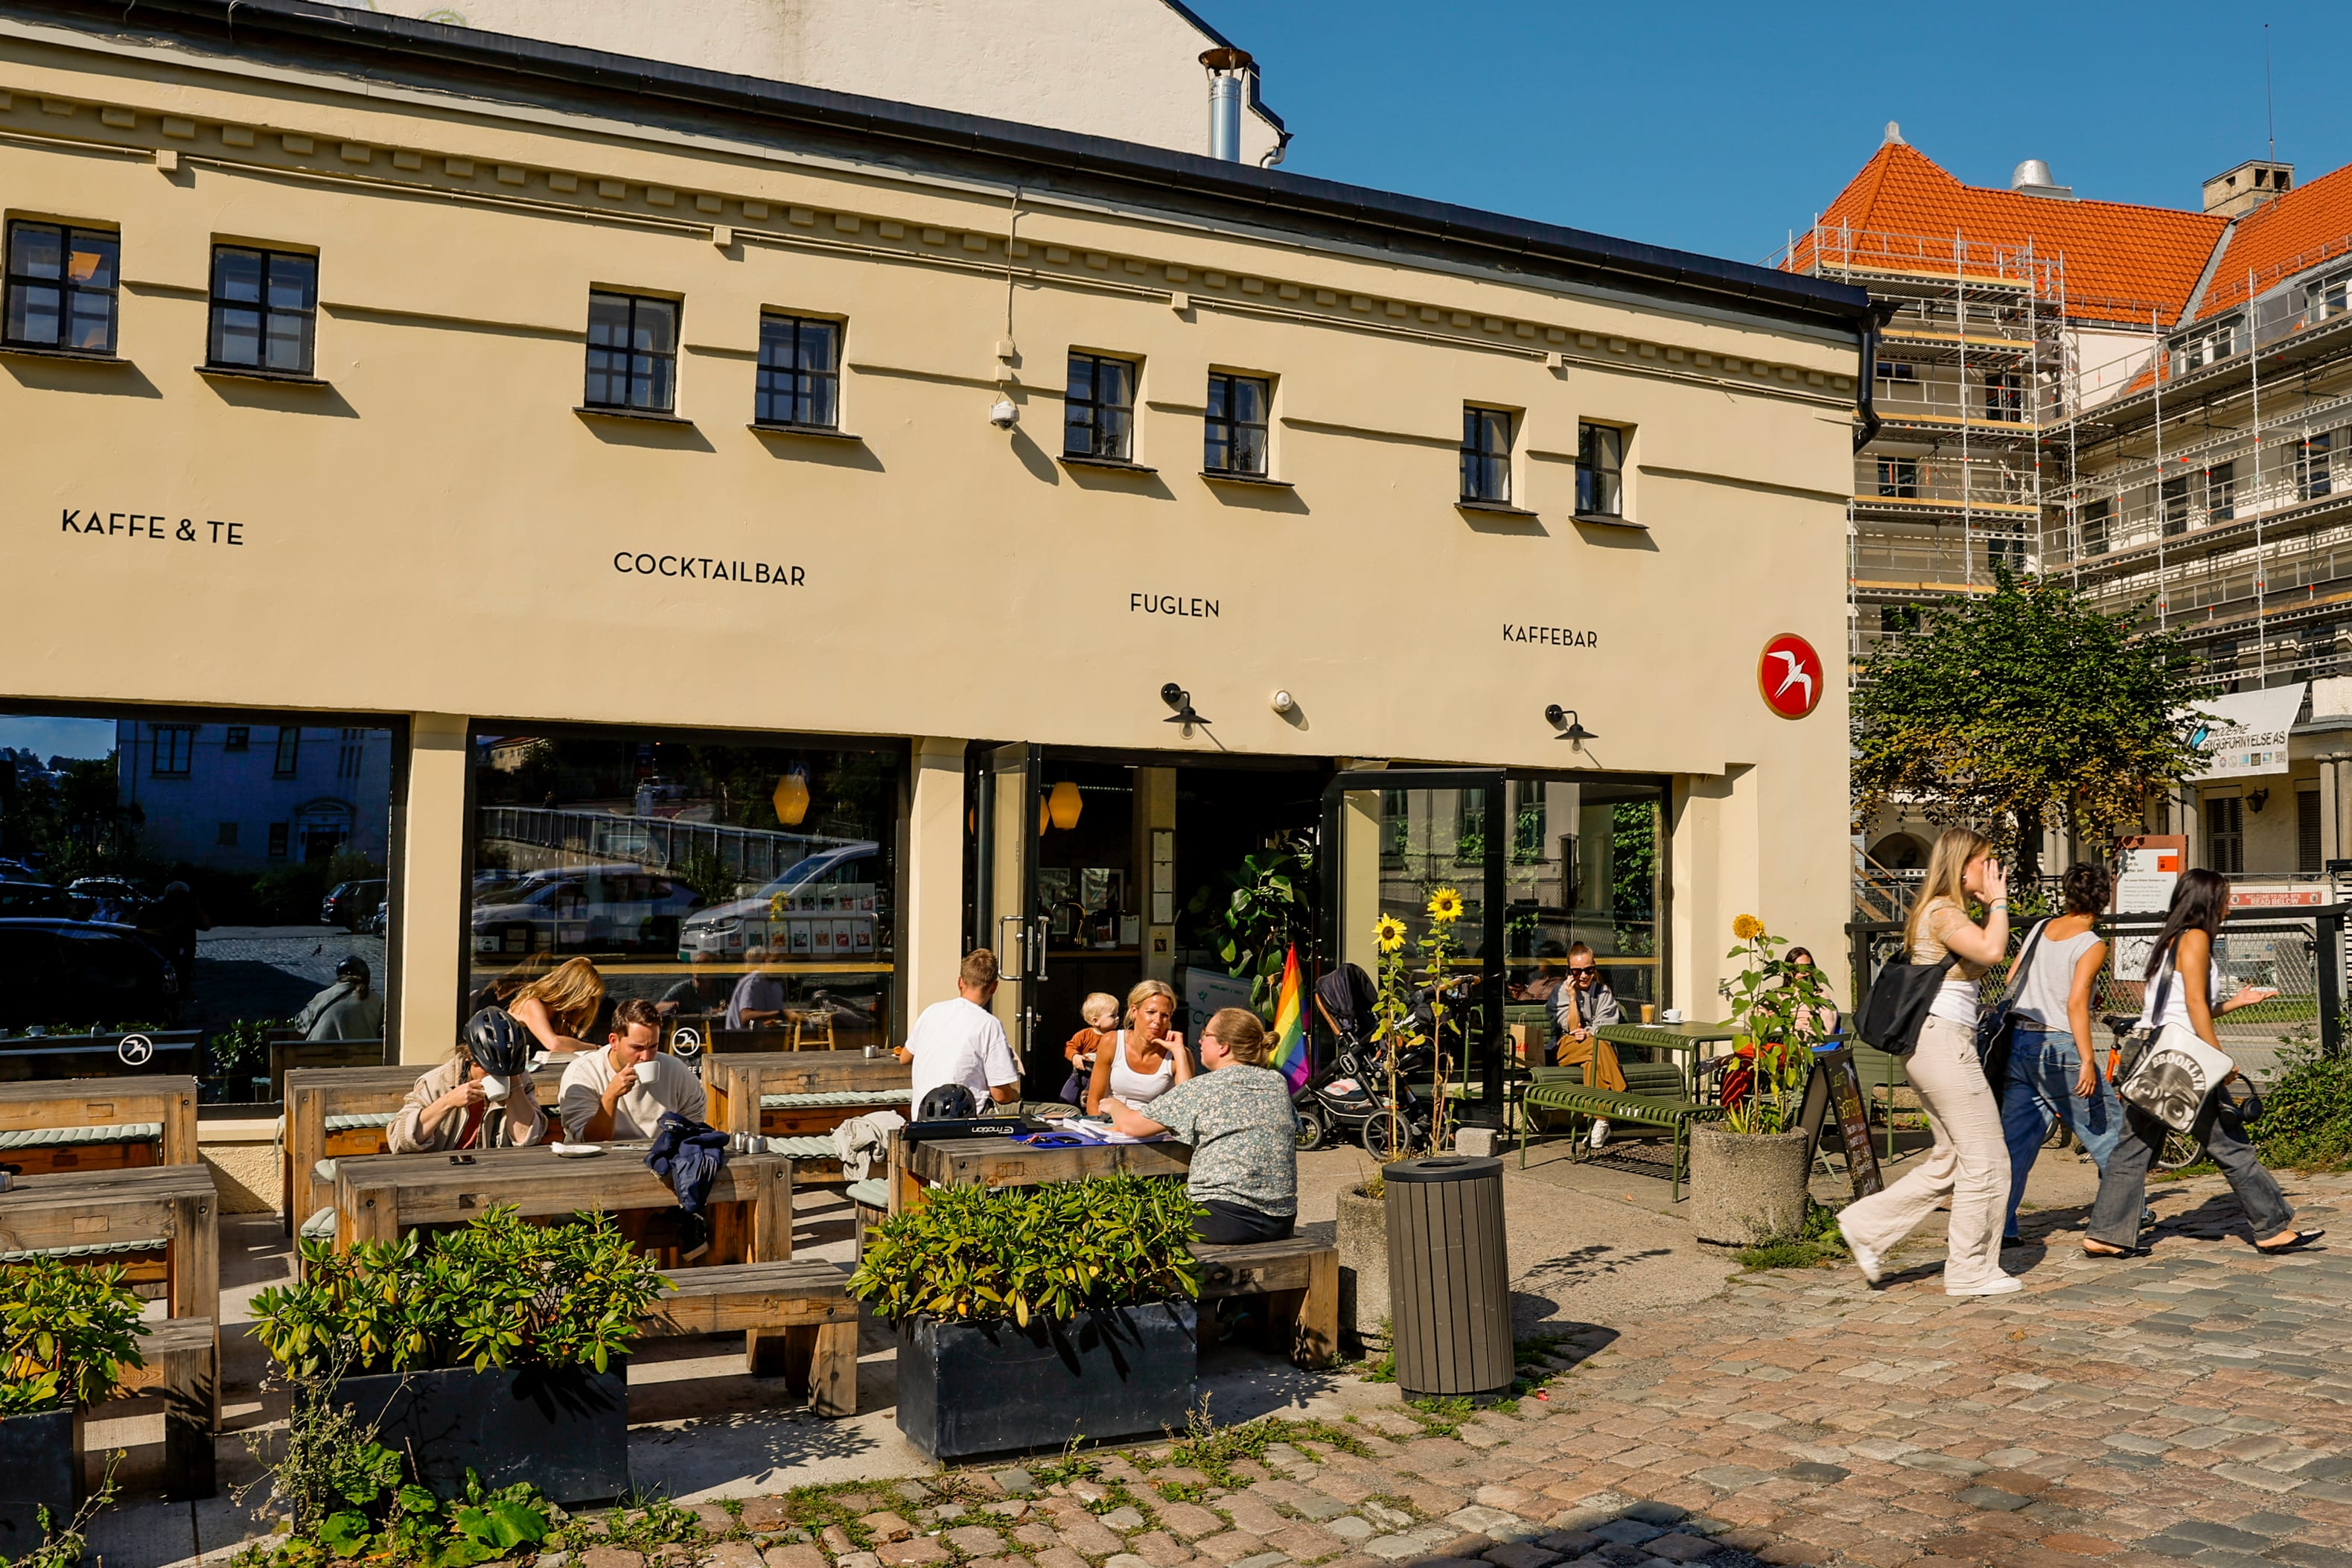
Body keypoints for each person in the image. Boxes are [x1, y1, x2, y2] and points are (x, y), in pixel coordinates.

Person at [2084, 868, 2319, 1258]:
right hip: (2180, 1060)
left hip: (2150, 1051)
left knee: (2133, 1149)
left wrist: (2235, 1003)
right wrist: (2219, 1058)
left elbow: (2182, 1008)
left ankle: (2105, 1235)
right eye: (2226, 899)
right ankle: (2272, 1228)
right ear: (2208, 901)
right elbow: (2193, 1006)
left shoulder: (2172, 940)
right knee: (2230, 1144)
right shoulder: (2195, 938)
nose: (2230, 906)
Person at [1838, 826, 2021, 1297]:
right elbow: (1992, 951)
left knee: (1951, 1159)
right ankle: (1969, 1270)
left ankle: (1865, 1226)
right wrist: (1999, 902)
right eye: (1985, 862)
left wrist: (1988, 906)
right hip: (1943, 1044)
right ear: (1962, 866)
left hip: (1935, 1043)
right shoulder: (1942, 912)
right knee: (1988, 1160)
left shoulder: (1942, 910)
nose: (1993, 870)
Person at [1996, 863, 2123, 1244]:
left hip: (2019, 1042)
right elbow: (2074, 1004)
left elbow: (2012, 979)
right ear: (2104, 898)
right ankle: (2126, 1212)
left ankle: (2000, 1226)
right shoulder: (2092, 944)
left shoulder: (2041, 928)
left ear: (2067, 894)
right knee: (2111, 1133)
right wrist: (2087, 1060)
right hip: (2059, 1047)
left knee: (2015, 1144)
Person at [1102, 1007, 1296, 1243]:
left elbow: (1133, 1126)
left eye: (1206, 1034)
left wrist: (1113, 1105)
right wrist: (1179, 1052)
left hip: (1224, 1220)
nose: (1200, 1041)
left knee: (1134, 1218)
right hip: (1280, 1220)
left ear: (1224, 1047)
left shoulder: (1206, 1087)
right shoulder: (1276, 1082)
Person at [388, 1007, 548, 1152]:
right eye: (490, 1069)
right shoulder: (438, 1082)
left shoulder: (519, 1079)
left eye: (504, 1070)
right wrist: (448, 1102)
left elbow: (527, 1139)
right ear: (469, 1058)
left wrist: (515, 1085)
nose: (497, 1076)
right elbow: (398, 1141)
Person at [558, 997, 705, 1141]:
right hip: (600, 1156)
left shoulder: (675, 1070)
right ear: (614, 1041)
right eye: (637, 1047)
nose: (646, 1057)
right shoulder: (584, 1073)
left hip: (660, 1153)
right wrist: (610, 1097)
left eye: (653, 1046)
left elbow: (695, 1123)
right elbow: (588, 1139)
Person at [896, 949, 1022, 1115]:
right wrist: (1015, 1095)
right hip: (965, 1119)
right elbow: (1000, 1094)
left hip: (922, 1117)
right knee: (1047, 1112)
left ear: (960, 982)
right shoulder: (989, 1024)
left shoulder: (932, 1011)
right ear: (994, 987)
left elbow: (904, 1058)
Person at [1552, 942, 1626, 1150]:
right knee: (1597, 1045)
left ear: (1595, 968)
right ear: (1569, 972)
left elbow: (1607, 1025)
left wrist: (1590, 1032)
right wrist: (1572, 997)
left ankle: (1599, 1122)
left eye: (1589, 970)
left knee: (1592, 1063)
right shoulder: (1561, 992)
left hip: (1594, 1049)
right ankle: (1622, 1093)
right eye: (1577, 971)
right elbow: (1572, 1027)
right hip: (1566, 1046)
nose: (1583, 976)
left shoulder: (1603, 992)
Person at [1086, 978, 1194, 1115]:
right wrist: (1098, 1125)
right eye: (1151, 1012)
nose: (1157, 1021)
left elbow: (1187, 1108)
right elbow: (1094, 1100)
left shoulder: (1178, 1055)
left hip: (1153, 1126)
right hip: (1111, 1123)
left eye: (1164, 1015)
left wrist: (1179, 1052)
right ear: (1134, 1011)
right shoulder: (1112, 1042)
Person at [509, 955, 605, 1057]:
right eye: (582, 997)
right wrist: (598, 1049)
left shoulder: (561, 1013)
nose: (584, 1004)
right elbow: (554, 1044)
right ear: (568, 989)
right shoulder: (531, 1003)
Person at [305, 955, 385, 1042]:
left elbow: (300, 1026)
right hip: (361, 1050)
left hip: (318, 1050)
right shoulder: (376, 999)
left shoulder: (321, 996)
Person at [1059, 992, 1119, 1105]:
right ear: (1096, 1021)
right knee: (1067, 1096)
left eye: (1117, 1015)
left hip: (1101, 1075)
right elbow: (1070, 1047)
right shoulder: (1084, 1035)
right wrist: (1075, 1056)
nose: (1117, 1018)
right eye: (1112, 1016)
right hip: (1080, 1073)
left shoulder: (1116, 1037)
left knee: (1093, 1094)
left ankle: (1087, 1099)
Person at [295, 954, 372, 1033]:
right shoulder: (375, 1000)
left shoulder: (322, 997)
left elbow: (301, 1024)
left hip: (322, 1042)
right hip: (363, 1042)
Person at [1784, 948, 1841, 1044]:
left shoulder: (1820, 998)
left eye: (1808, 967)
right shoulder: (1778, 996)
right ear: (1789, 972)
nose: (1804, 972)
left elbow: (1825, 1032)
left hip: (1806, 1045)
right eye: (1798, 968)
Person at [724, 945, 788, 1030]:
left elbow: (771, 1018)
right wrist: (782, 1014)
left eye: (784, 963)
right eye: (775, 962)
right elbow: (746, 1017)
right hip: (740, 1035)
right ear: (763, 961)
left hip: (765, 1034)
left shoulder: (776, 986)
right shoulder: (754, 982)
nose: (780, 966)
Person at [659, 951, 733, 1019]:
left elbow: (737, 1009)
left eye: (705, 964)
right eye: (696, 963)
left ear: (714, 969)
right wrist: (670, 1006)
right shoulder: (681, 990)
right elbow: (658, 1009)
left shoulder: (723, 988)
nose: (699, 967)